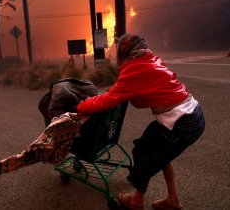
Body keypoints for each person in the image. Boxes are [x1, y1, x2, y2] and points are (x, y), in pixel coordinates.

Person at [77, 34, 205, 210]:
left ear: (124, 51)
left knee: (144, 152)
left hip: (181, 123)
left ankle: (136, 201)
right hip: (194, 113)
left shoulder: (134, 69)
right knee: (160, 153)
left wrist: (81, 106)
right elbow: (141, 99)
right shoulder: (151, 60)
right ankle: (173, 201)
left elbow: (106, 100)